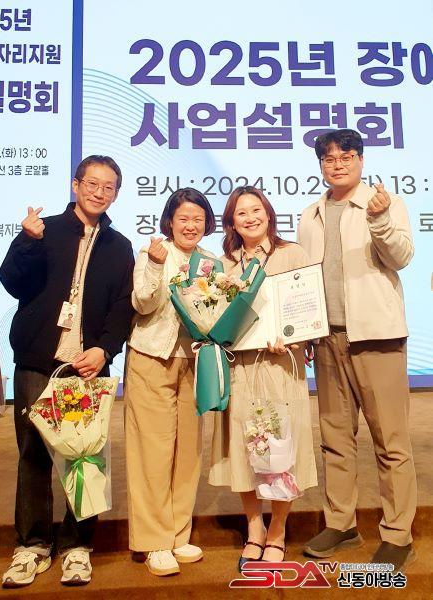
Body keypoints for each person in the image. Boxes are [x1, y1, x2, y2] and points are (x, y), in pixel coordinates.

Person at [0, 155, 135, 587]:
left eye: (108, 186)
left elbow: (122, 308)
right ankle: (33, 545)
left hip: (86, 368)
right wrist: (26, 241)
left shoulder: (119, 246)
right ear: (76, 185)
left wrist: (104, 349)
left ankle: (77, 546)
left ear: (116, 193)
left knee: (85, 457)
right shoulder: (45, 231)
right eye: (92, 183)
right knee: (33, 455)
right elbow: (12, 282)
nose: (99, 192)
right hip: (38, 362)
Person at [297, 129, 416, 572]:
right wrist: (307, 331)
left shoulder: (383, 203)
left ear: (361, 160)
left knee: (391, 442)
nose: (338, 164)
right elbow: (305, 279)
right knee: (335, 440)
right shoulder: (310, 215)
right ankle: (341, 524)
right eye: (329, 158)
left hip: (377, 338)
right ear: (321, 166)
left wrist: (380, 221)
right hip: (327, 339)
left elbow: (401, 257)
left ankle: (398, 534)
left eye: (346, 156)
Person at [209, 186, 317, 570]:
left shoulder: (293, 254)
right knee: (245, 447)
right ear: (232, 222)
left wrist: (294, 337)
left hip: (281, 366)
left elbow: (308, 309)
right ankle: (254, 527)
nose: (250, 217)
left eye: (256, 210)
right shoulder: (224, 265)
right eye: (241, 213)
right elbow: (215, 319)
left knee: (282, 446)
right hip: (239, 367)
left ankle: (278, 530)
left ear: (269, 214)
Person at [124, 188, 216, 576]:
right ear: (170, 222)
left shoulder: (211, 262)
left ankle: (178, 533)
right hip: (152, 358)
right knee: (152, 450)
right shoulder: (153, 253)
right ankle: (154, 541)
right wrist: (156, 266)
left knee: (188, 451)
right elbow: (143, 304)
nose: (190, 225)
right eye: (183, 219)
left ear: (206, 223)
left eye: (198, 219)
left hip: (194, 362)